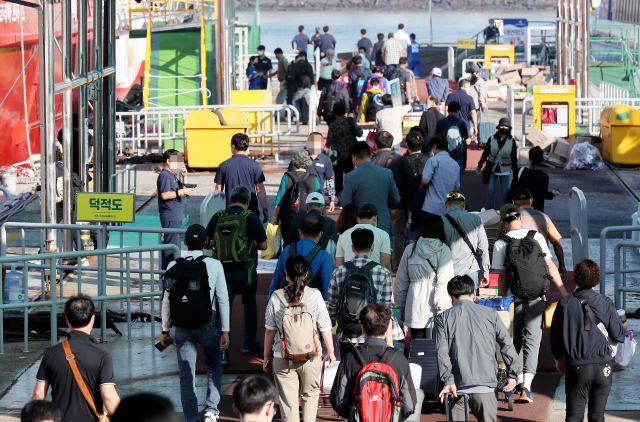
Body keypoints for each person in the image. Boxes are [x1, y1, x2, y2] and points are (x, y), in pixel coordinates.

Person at [492, 204, 568, 403]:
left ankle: (514, 378)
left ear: (502, 221)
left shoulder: (501, 243)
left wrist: (502, 301)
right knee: (533, 341)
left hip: (514, 298)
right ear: (519, 217)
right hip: (536, 298)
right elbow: (550, 265)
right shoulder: (537, 237)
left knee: (512, 340)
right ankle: (527, 385)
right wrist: (563, 292)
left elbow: (501, 278)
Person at [160, 224, 230, 422]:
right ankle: (210, 411)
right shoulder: (215, 265)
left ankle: (191, 418)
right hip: (207, 324)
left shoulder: (174, 266)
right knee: (214, 365)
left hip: (181, 327)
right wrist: (225, 329)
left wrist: (165, 330)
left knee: (186, 374)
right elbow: (222, 299)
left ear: (185, 243)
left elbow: (166, 300)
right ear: (206, 242)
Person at [550, 259, 627, 422]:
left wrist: (558, 358)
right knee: (597, 416)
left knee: (574, 416)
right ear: (597, 278)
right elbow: (618, 336)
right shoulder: (606, 302)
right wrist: (623, 325)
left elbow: (555, 336)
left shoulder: (564, 303)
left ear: (576, 278)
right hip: (603, 365)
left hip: (576, 365)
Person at [434, 275, 519, 422]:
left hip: (456, 387)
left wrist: (448, 381)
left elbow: (441, 353)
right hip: (485, 385)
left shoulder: (442, 319)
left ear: (450, 297)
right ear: (474, 295)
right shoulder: (491, 314)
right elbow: (507, 344)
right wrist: (512, 374)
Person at [264, 255, 336, 422]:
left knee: (288, 403)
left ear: (286, 275)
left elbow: (269, 331)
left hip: (282, 357)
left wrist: (267, 356)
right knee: (310, 396)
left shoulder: (276, 297)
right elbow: (325, 327)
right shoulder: (315, 295)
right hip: (311, 357)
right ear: (306, 275)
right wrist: (331, 352)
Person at [32, 294, 120, 422]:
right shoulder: (102, 356)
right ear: (93, 319)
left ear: (66, 320)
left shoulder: (51, 353)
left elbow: (38, 395)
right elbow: (108, 397)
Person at [206, 186, 267, 366]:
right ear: (247, 201)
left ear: (230, 200)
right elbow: (263, 246)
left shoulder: (218, 216)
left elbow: (206, 242)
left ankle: (224, 354)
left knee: (224, 309)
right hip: (247, 272)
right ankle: (248, 344)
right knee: (249, 306)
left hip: (222, 272)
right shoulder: (252, 218)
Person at [330, 303, 417, 420]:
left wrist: (356, 415)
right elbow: (410, 405)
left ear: (362, 328)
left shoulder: (350, 358)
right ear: (387, 328)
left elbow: (338, 401)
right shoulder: (399, 360)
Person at [327, 229, 404, 358]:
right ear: (372, 248)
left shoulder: (339, 271)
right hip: (374, 337)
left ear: (352, 248)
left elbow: (332, 306)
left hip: (346, 336)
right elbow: (386, 310)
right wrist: (389, 342)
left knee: (350, 375)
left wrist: (328, 338)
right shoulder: (383, 272)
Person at [395, 215, 454, 339]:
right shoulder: (444, 250)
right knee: (435, 351)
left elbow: (401, 281)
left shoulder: (410, 249)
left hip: (413, 306)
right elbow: (444, 282)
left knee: (417, 349)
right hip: (435, 310)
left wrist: (401, 306)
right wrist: (442, 308)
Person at [371, 131, 414, 270]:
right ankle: (396, 265)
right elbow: (410, 182)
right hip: (399, 205)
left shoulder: (372, 161)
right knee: (399, 237)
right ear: (392, 143)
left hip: (378, 206)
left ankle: (380, 264)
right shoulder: (401, 160)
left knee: (377, 236)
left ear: (376, 144)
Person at [269, 214, 334, 299]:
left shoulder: (287, 250)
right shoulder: (323, 255)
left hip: (288, 301)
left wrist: (270, 301)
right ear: (320, 234)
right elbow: (327, 284)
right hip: (311, 303)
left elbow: (277, 279)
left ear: (299, 232)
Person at [342, 141, 400, 235]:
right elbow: (396, 199)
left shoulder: (350, 177)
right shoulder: (387, 173)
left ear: (354, 157)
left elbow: (345, 203)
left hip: (360, 226)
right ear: (370, 155)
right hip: (383, 225)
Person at [511, 187, 567, 276]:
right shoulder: (545, 218)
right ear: (531, 200)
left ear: (513, 202)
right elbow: (556, 243)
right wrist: (562, 265)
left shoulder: (510, 220)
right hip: (541, 265)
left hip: (518, 266)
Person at [442, 190, 490, 288]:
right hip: (470, 272)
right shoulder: (475, 219)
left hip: (447, 273)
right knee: (468, 303)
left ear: (446, 205)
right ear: (464, 204)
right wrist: (485, 273)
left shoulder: (439, 221)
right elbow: (483, 247)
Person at [215, 133, 269, 220]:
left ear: (233, 146)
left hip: (230, 209)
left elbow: (218, 190)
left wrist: (217, 210)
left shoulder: (223, 165)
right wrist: (265, 209)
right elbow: (260, 189)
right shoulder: (255, 165)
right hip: (250, 208)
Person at [272, 149, 322, 241]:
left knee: (288, 243)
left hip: (288, 218)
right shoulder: (313, 179)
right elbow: (320, 200)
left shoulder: (287, 177)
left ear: (294, 161)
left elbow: (279, 200)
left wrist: (274, 218)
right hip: (308, 219)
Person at [157, 149, 193, 270]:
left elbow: (184, 191)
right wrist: (182, 191)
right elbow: (165, 195)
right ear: (168, 161)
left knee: (173, 245)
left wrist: (184, 176)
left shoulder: (172, 175)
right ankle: (168, 273)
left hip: (175, 215)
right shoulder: (165, 176)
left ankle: (170, 272)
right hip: (170, 215)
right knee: (171, 246)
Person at [336, 203, 392, 274]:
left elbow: (339, 265)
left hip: (349, 280)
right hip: (374, 278)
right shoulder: (383, 235)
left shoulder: (343, 235)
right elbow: (386, 264)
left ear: (357, 219)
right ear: (375, 218)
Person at [477, 117, 518, 210]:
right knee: (490, 190)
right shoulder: (491, 139)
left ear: (509, 129)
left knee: (505, 191)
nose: (503, 128)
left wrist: (515, 172)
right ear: (498, 127)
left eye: (506, 126)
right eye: (502, 126)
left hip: (505, 169)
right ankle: (491, 207)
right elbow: (485, 153)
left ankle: (506, 208)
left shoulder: (512, 141)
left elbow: (514, 158)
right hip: (492, 168)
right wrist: (479, 165)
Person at [287, 134, 336, 212]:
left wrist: (332, 200)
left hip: (318, 198)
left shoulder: (326, 160)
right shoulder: (298, 157)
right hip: (300, 197)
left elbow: (330, 180)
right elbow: (289, 177)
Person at [326, 102, 362, 202]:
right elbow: (360, 133)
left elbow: (329, 143)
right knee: (351, 176)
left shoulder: (332, 125)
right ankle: (351, 198)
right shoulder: (350, 121)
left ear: (334, 112)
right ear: (345, 111)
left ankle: (341, 199)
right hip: (350, 154)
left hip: (337, 155)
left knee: (338, 178)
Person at [505, 146, 558, 212]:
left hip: (520, 208)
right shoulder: (543, 176)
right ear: (541, 160)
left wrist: (506, 207)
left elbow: (512, 191)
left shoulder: (520, 172)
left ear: (529, 158)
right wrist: (552, 194)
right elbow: (543, 194)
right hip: (536, 210)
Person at [420, 133, 461, 216]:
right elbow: (457, 188)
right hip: (448, 207)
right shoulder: (455, 164)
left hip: (432, 206)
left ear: (434, 147)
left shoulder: (432, 160)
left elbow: (425, 181)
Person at [436, 101, 471, 174]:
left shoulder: (441, 122)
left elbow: (436, 138)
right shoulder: (462, 123)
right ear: (458, 111)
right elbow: (467, 141)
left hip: (444, 154)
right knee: (456, 179)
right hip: (458, 154)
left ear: (448, 110)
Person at [404, 130, 430, 205]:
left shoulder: (402, 161)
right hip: (425, 199)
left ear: (408, 146)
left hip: (408, 200)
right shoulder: (430, 160)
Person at [290, 53, 314, 125]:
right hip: (308, 88)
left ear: (297, 59)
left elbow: (291, 78)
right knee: (305, 104)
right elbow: (312, 77)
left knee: (295, 102)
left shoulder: (295, 66)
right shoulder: (309, 65)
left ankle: (299, 116)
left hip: (298, 88)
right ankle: (305, 120)